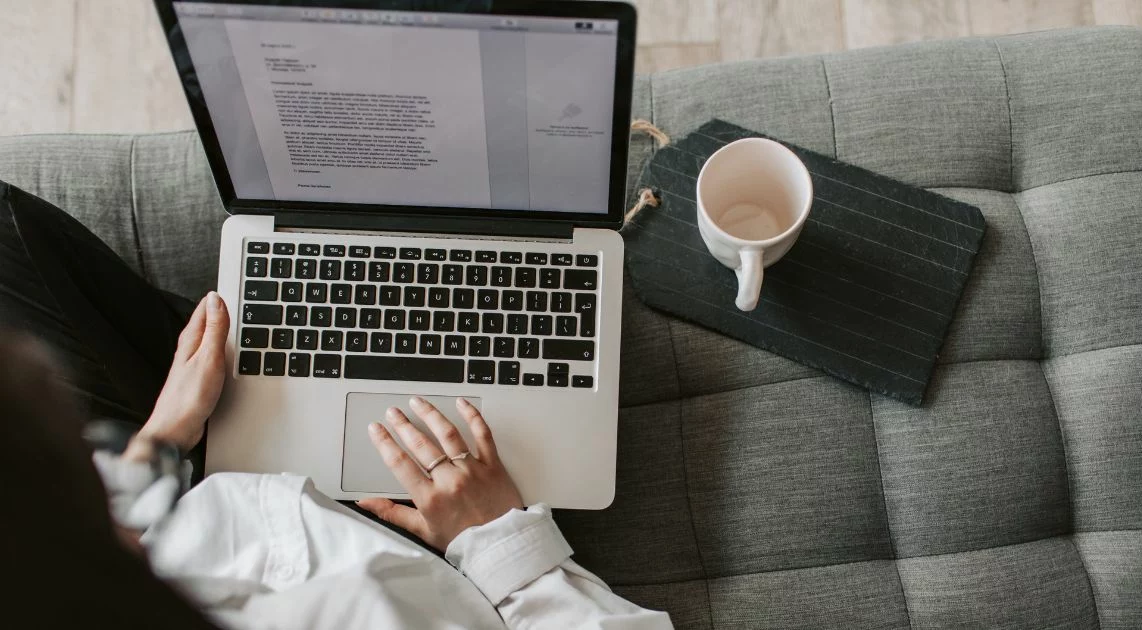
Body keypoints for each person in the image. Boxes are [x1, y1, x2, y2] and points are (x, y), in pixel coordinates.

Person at [0, 179, 673, 629]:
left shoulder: (64, 566)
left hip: (200, 493)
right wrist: (493, 535)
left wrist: (160, 440)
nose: (105, 455)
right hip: (427, 552)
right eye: (91, 460)